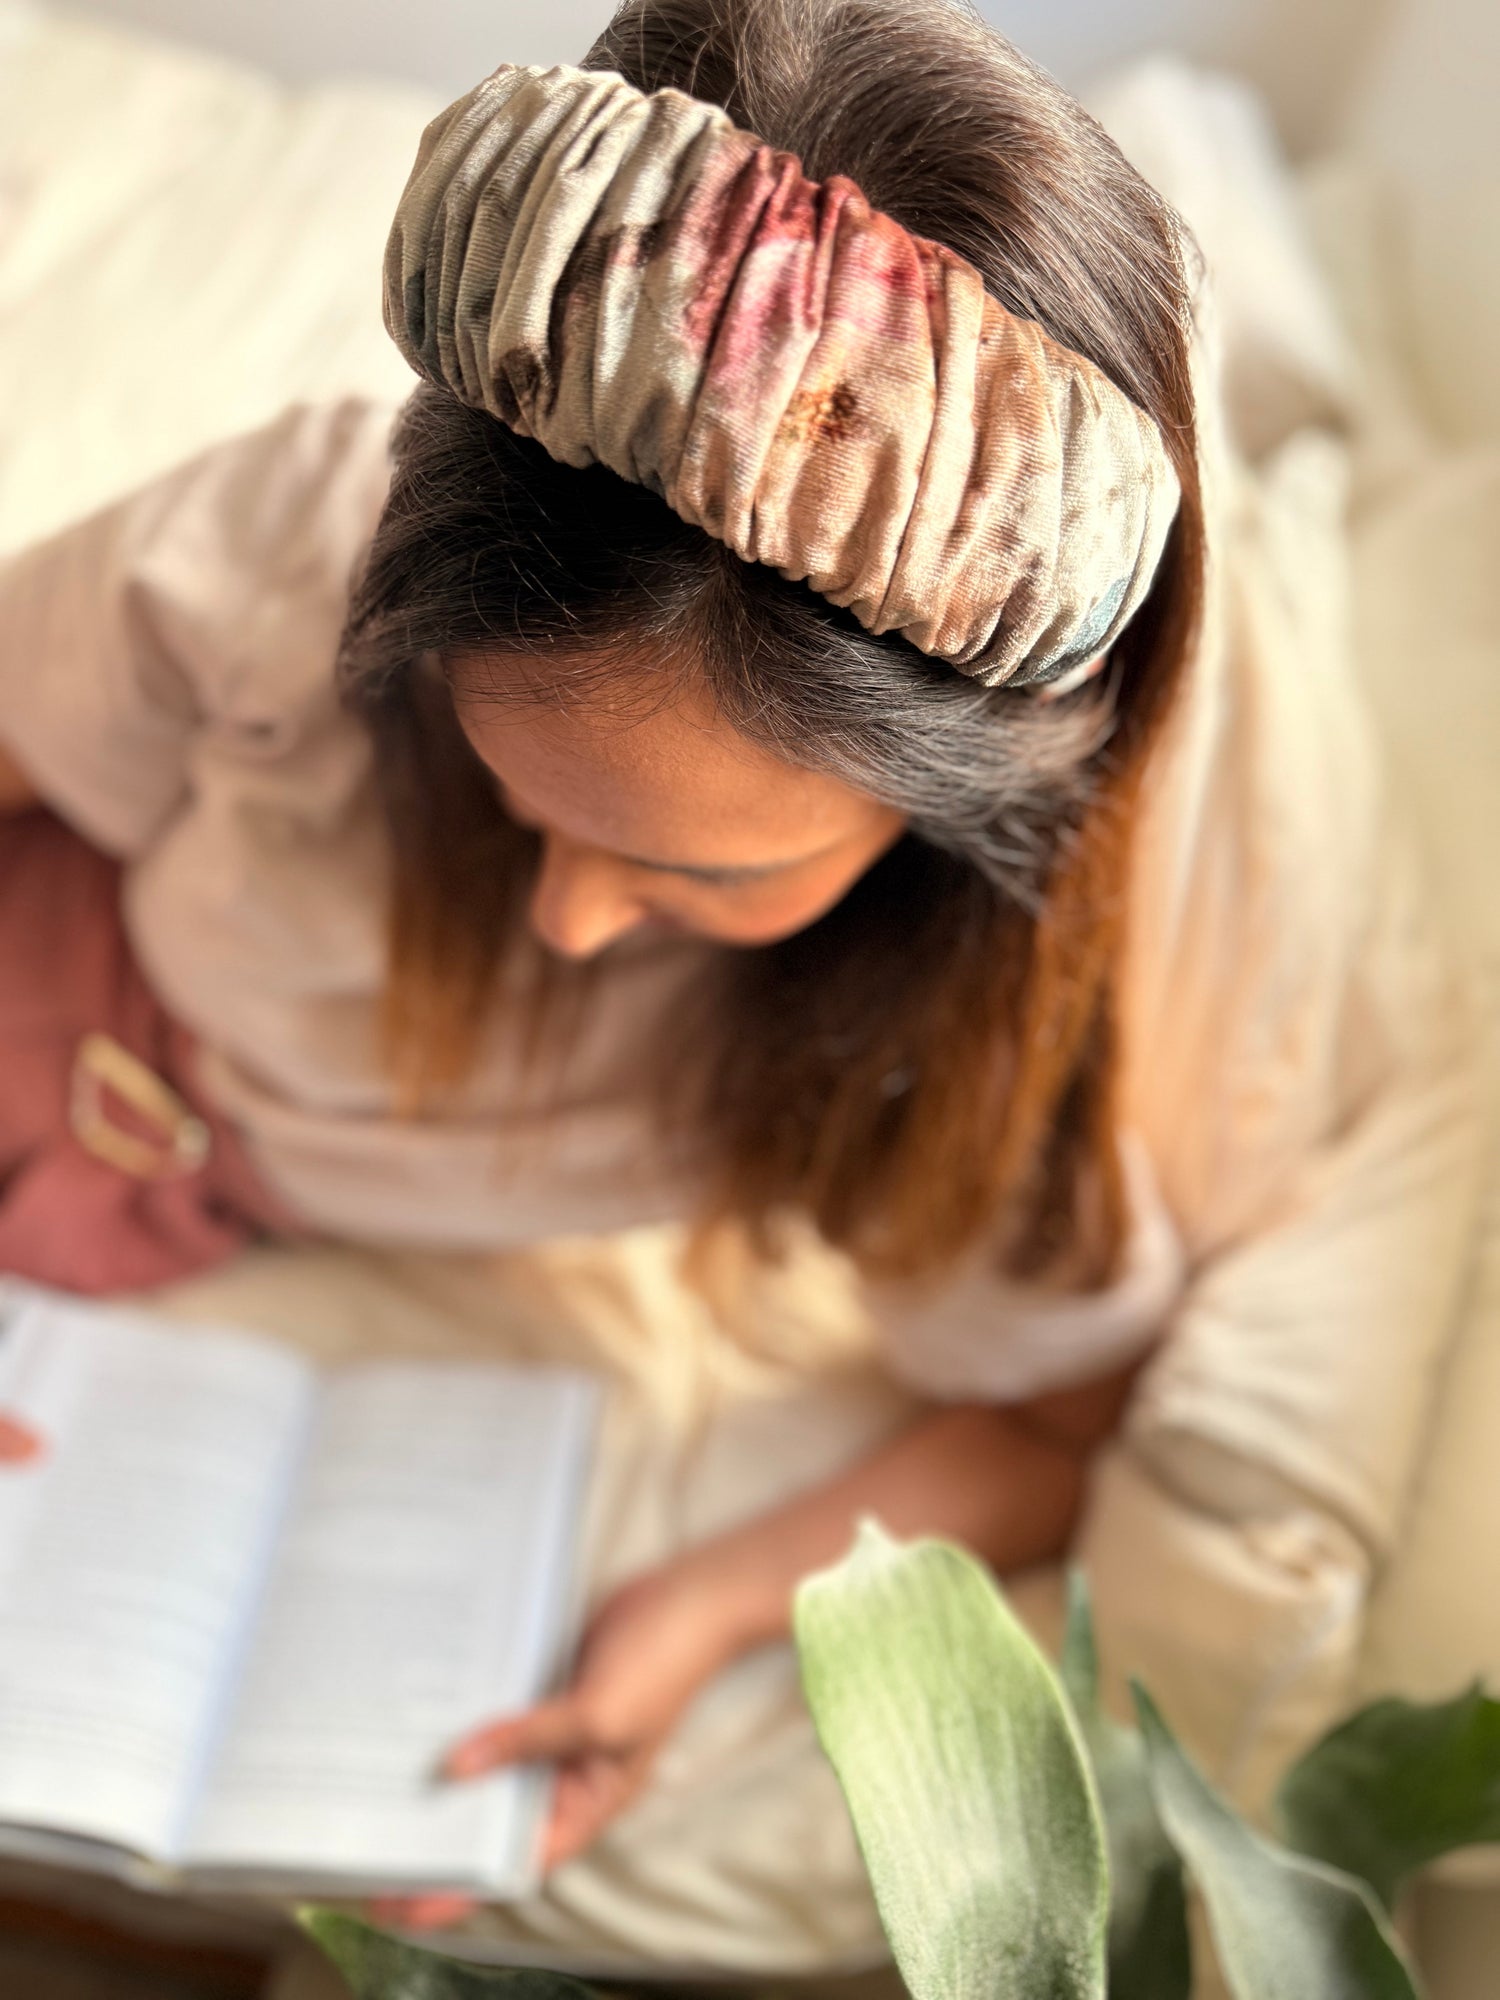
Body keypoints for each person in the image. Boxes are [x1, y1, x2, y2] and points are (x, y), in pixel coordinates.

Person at [0, 0, 1485, 1969]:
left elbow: (1052, 1422)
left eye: (700, 872)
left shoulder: (985, 1035)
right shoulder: (286, 553)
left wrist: (696, 1614)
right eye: (517, 793)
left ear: (939, 828)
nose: (570, 925)